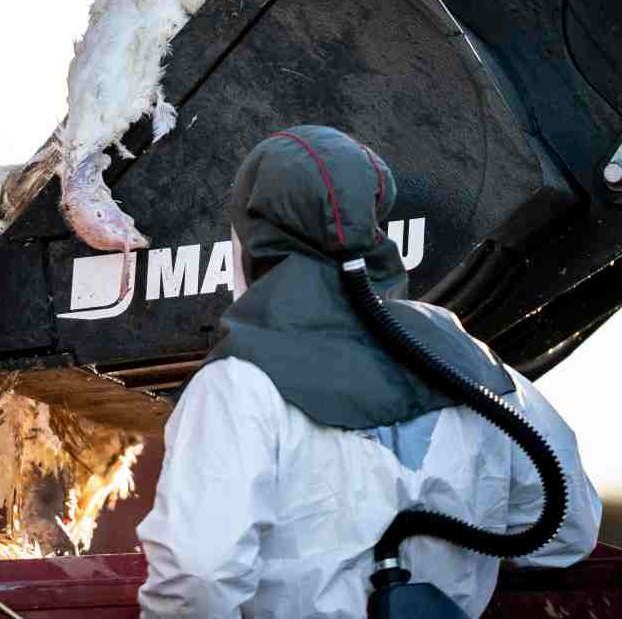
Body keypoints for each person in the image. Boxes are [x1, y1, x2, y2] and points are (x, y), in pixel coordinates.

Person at [136, 125, 601, 618]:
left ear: (253, 239)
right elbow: (567, 533)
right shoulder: (467, 358)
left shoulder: (239, 381)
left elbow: (197, 578)